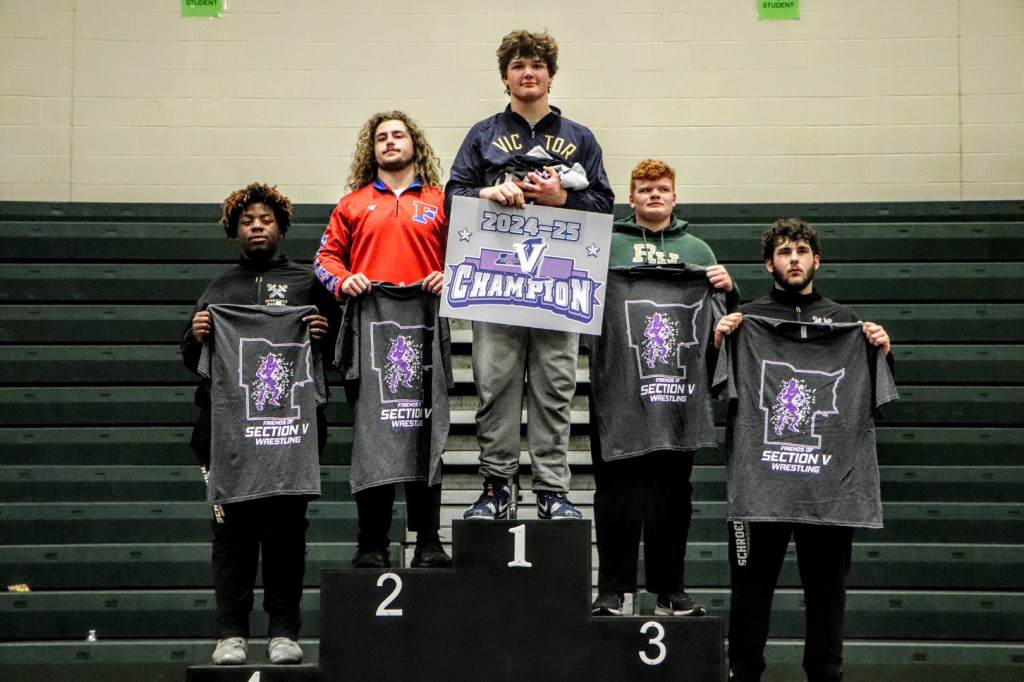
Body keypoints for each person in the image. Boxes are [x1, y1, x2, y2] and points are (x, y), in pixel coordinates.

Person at [713, 218, 896, 682]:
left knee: (828, 595)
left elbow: (878, 398)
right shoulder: (745, 320)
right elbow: (714, 389)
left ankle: (826, 675)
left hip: (829, 487)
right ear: (768, 263)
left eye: (800, 251)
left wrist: (882, 351)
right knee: (749, 592)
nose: (793, 259)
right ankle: (743, 673)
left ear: (816, 259)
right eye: (783, 251)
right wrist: (718, 343)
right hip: (760, 488)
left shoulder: (848, 323)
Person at [444, 29, 615, 520]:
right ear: (505, 77)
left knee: (555, 386)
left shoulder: (580, 137)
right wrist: (486, 193)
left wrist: (565, 198)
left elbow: (604, 206)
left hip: (558, 283)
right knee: (494, 384)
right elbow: (452, 198)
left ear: (551, 75)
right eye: (518, 65)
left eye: (537, 65)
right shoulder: (482, 134)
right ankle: (496, 486)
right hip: (496, 281)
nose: (528, 73)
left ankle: (551, 490)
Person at [181, 183, 340, 666]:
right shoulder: (219, 290)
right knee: (232, 538)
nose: (256, 227)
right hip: (227, 437)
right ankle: (230, 634)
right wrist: (196, 334)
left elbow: (339, 351)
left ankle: (283, 634)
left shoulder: (308, 284)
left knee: (285, 536)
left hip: (289, 434)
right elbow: (191, 359)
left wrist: (324, 332)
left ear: (281, 227)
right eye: (247, 221)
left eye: (265, 220)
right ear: (235, 231)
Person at [589, 160, 736, 617]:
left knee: (671, 495)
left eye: (663, 188)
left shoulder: (699, 249)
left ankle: (670, 590)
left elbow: (723, 325)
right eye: (645, 188)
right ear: (631, 198)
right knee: (616, 493)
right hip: (617, 388)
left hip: (676, 392)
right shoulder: (606, 245)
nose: (654, 194)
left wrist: (729, 290)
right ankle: (612, 590)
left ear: (675, 197)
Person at [314, 110, 452, 569]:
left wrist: (449, 277)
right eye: (381, 138)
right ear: (371, 150)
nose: (390, 142)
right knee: (374, 437)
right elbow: (324, 259)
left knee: (425, 431)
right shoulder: (352, 204)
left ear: (415, 144)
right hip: (369, 332)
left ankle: (428, 541)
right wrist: (343, 281)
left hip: (425, 328)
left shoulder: (440, 201)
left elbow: (469, 258)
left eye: (399, 135)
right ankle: (371, 543)